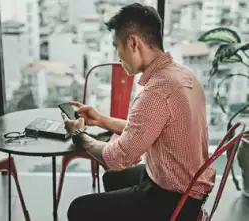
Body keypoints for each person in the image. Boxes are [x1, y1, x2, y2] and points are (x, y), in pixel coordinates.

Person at [62, 3, 216, 221]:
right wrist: (101, 120)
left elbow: (117, 158)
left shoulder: (156, 92)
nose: (117, 56)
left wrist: (79, 136)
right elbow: (148, 131)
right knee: (113, 180)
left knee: (78, 209)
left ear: (133, 42)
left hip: (174, 200)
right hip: (189, 186)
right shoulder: (183, 75)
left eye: (117, 46)